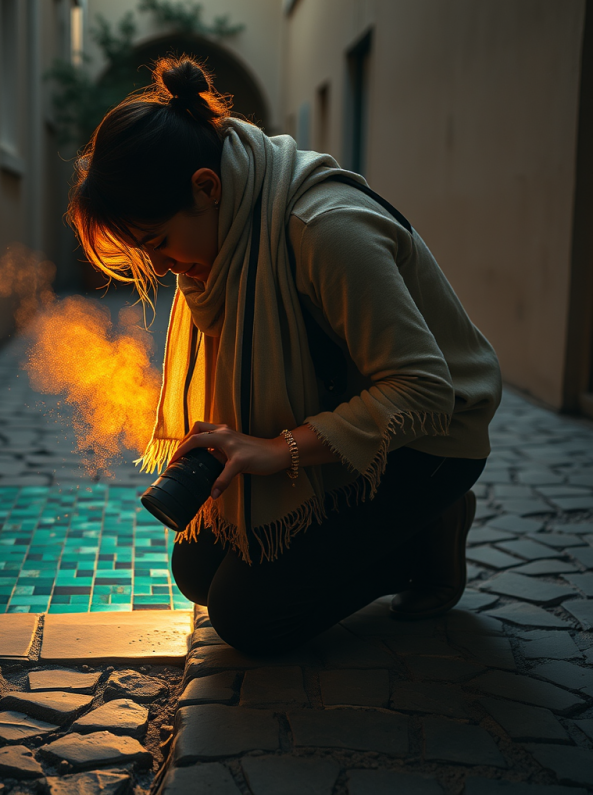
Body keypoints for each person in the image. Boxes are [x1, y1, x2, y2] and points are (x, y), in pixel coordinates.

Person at [67, 56, 502, 656]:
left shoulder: (324, 227)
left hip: (428, 442)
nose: (162, 266)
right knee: (196, 572)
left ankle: (426, 538)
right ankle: (392, 532)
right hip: (343, 407)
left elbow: (425, 390)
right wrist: (239, 438)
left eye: (159, 242)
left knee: (252, 620)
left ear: (206, 186)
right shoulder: (234, 230)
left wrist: (277, 449)